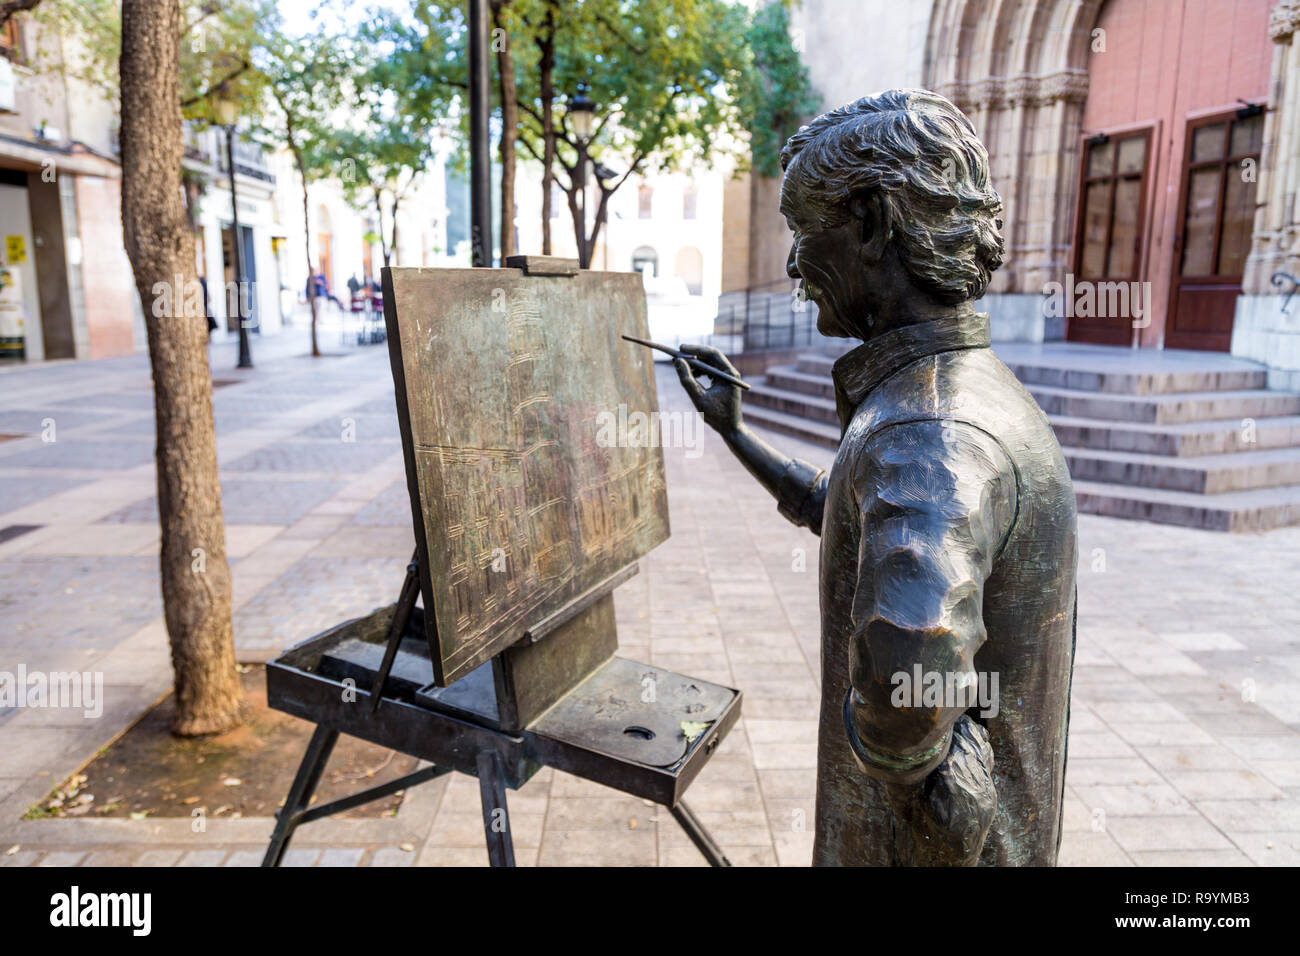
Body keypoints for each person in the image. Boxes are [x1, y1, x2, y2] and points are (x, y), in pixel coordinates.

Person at [671, 90, 1077, 866]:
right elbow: (853, 519)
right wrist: (736, 433)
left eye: (803, 231)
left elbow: (910, 665)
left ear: (872, 224)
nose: (792, 262)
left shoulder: (926, 433)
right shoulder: (961, 390)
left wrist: (914, 788)